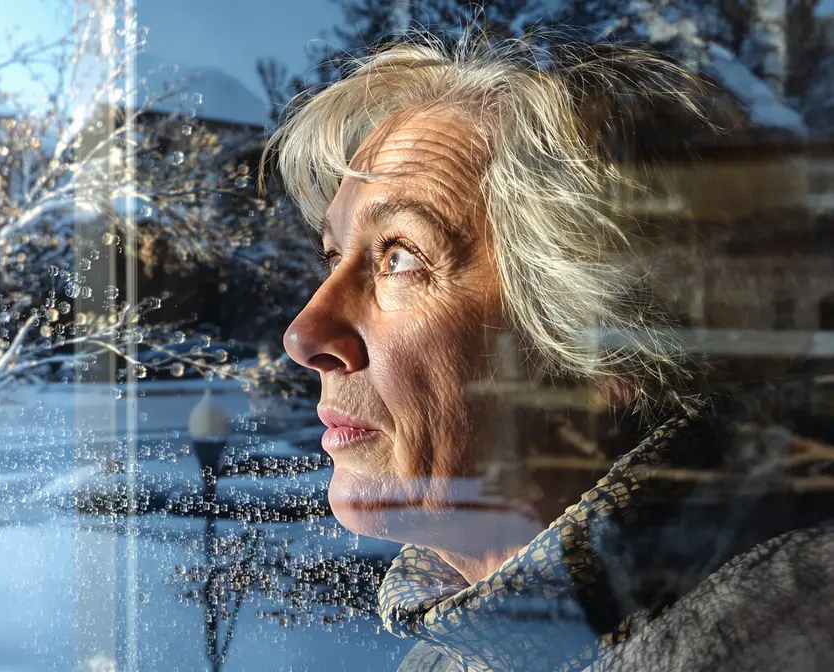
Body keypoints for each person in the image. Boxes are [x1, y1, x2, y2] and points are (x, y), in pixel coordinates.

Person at [264, 31, 834, 671]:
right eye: (333, 257)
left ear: (608, 339)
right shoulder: (444, 658)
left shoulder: (792, 631)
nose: (304, 335)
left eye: (400, 258)